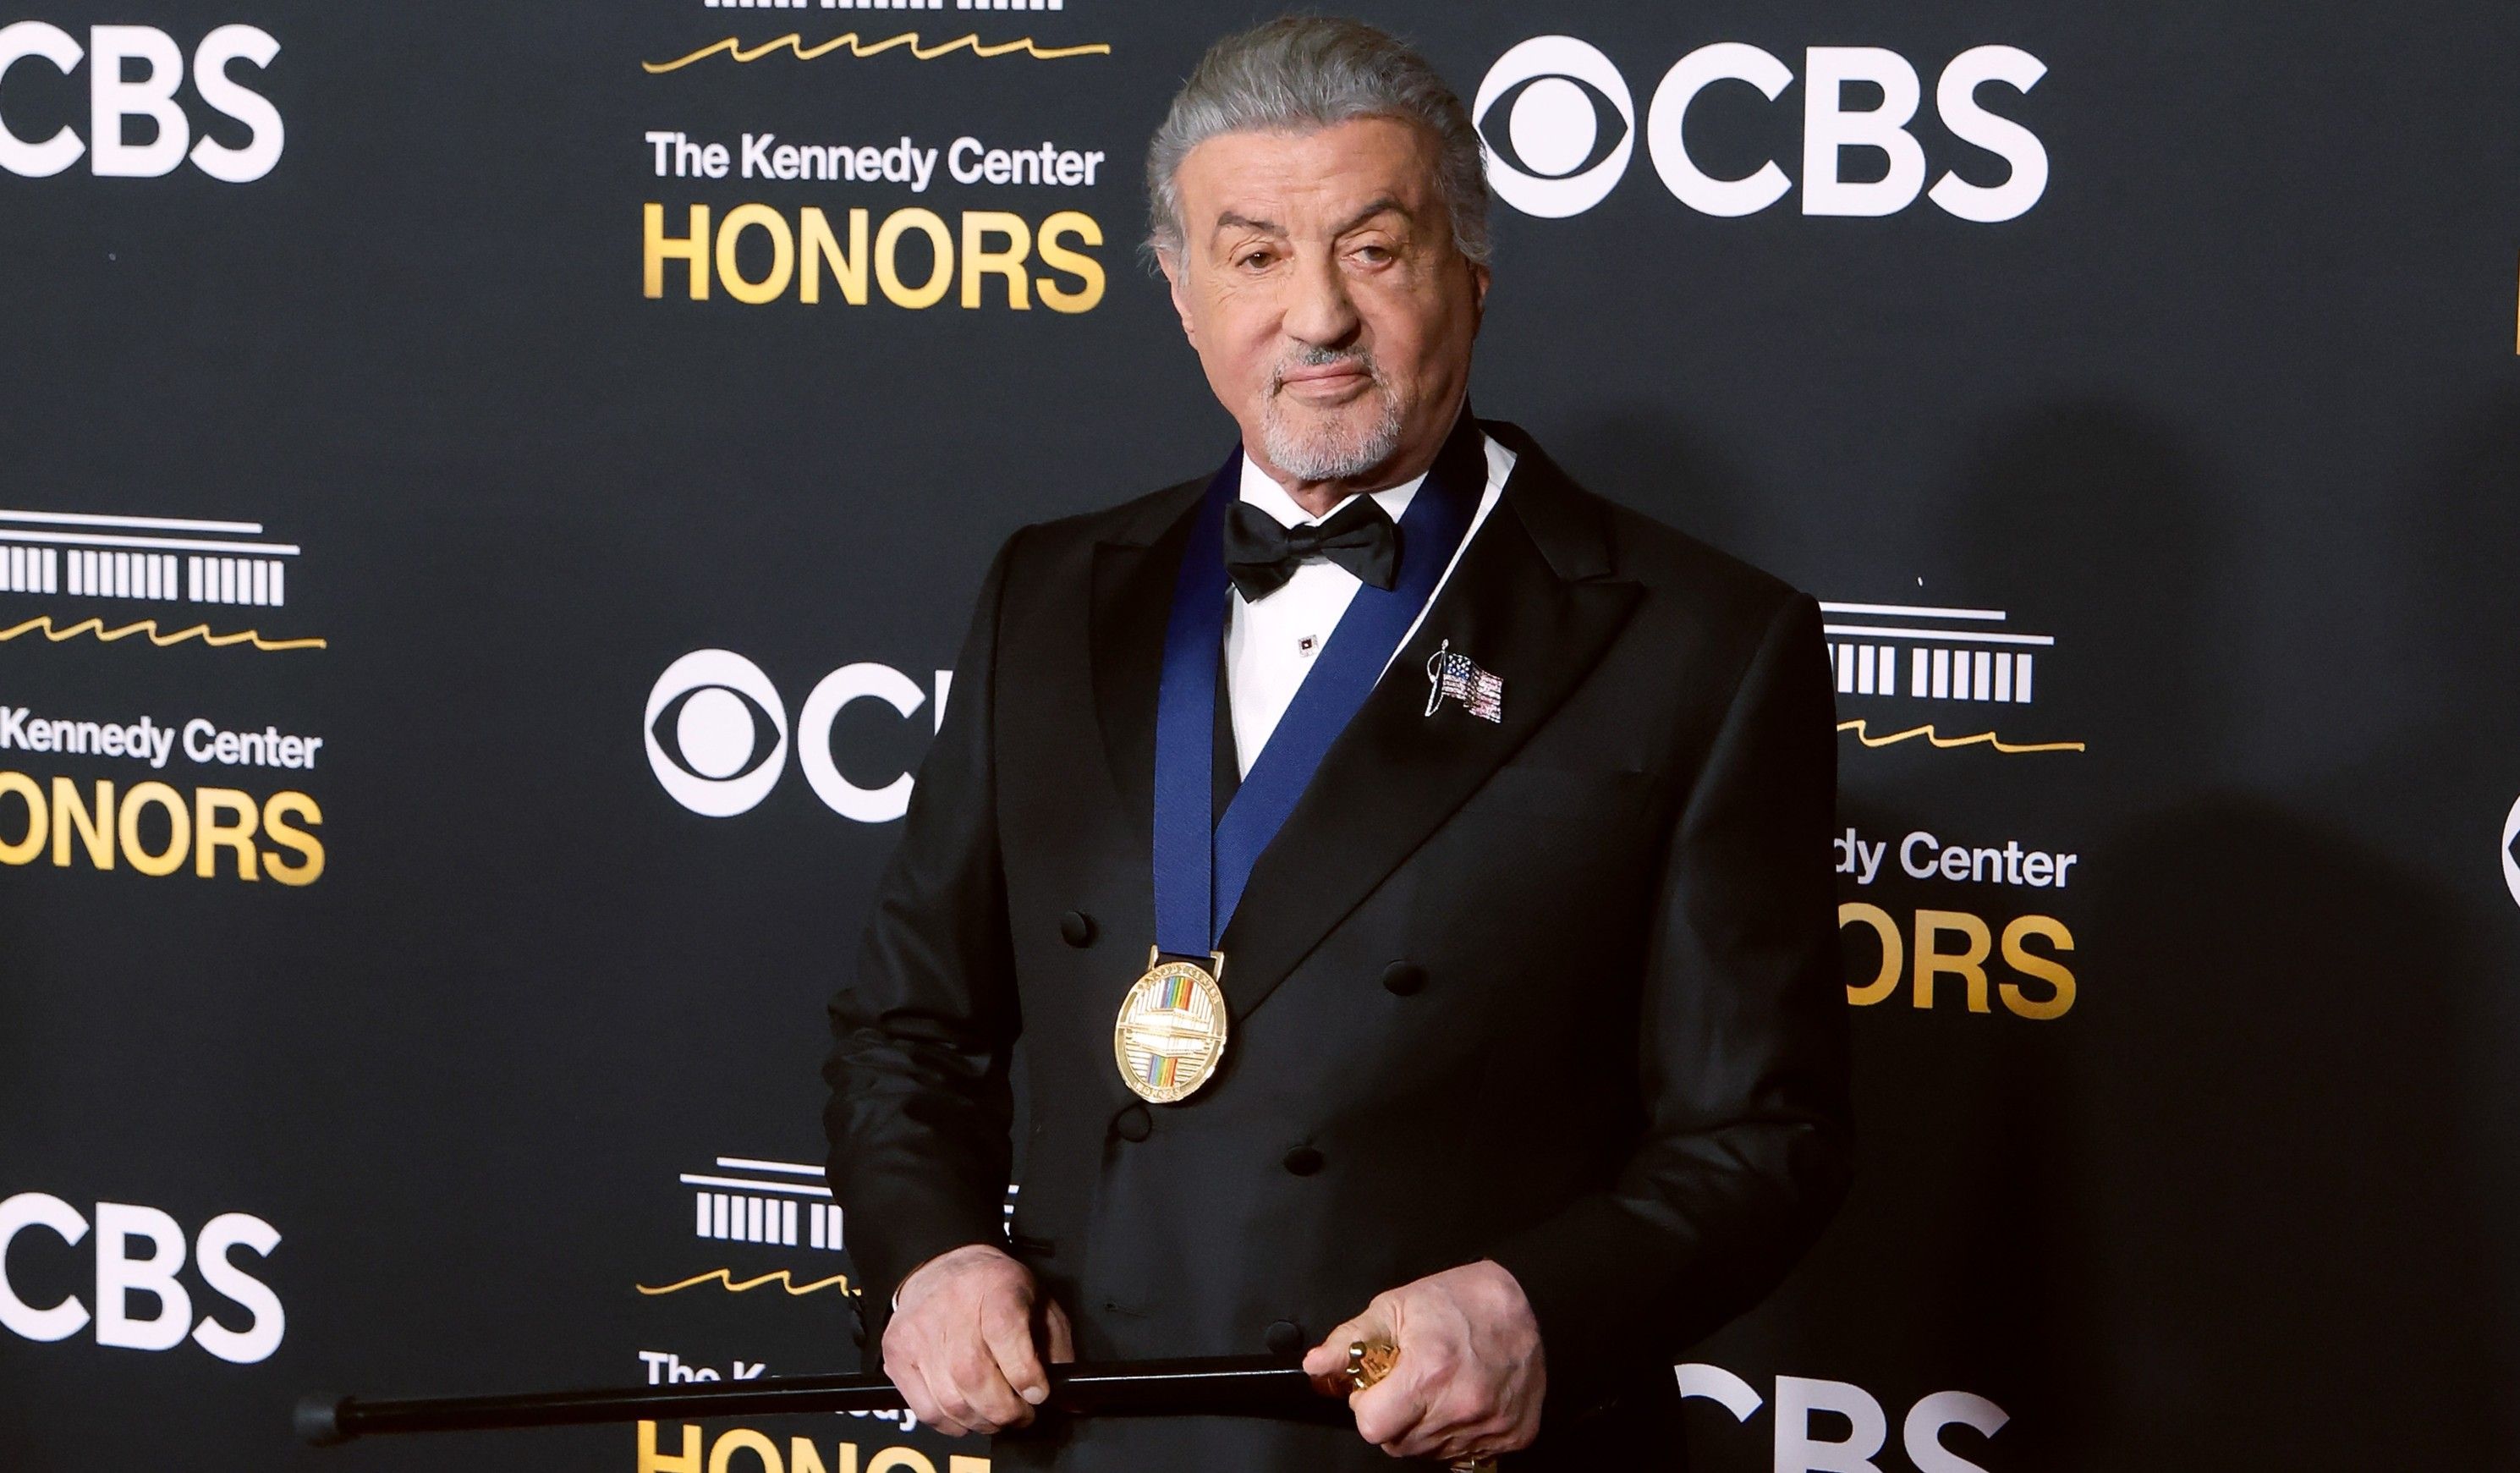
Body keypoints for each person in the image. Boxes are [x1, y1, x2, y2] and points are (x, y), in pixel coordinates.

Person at [822, 16, 1852, 1470]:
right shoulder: (1047, 594)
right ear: (1181, 294)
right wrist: (927, 1255)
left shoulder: (1702, 643)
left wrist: (1538, 1307)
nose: (1317, 317)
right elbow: (908, 1029)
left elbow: (1766, 1134)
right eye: (1252, 256)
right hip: (1090, 1438)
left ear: (1472, 273)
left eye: (1374, 250)